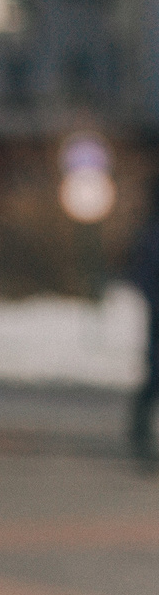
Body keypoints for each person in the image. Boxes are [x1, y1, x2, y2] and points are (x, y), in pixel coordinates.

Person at [131, 173, 159, 467]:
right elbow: (144, 275)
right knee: (154, 376)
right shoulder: (153, 234)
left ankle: (140, 435)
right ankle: (139, 436)